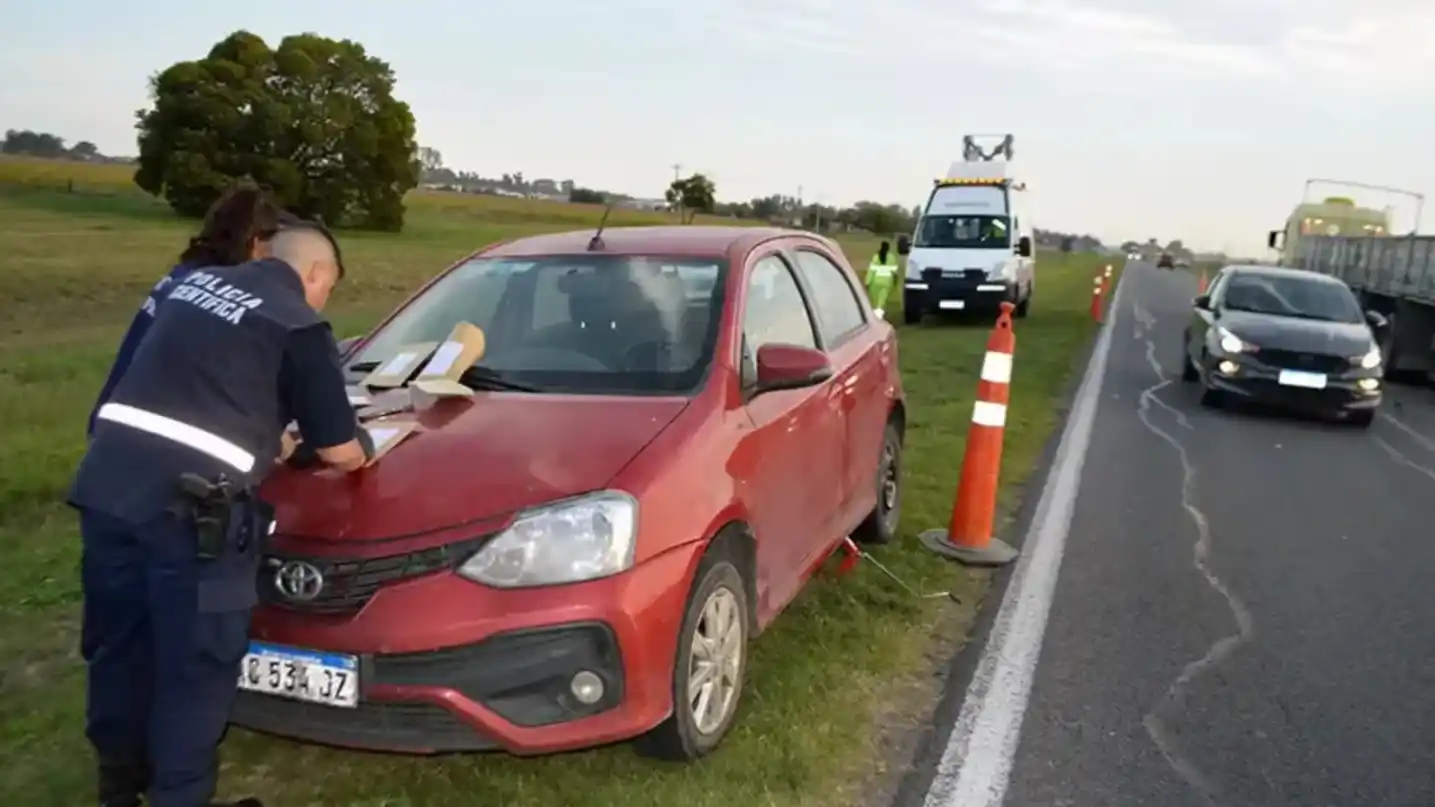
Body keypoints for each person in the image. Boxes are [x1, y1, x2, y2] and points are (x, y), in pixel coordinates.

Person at [69, 223, 374, 807]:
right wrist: (364, 443)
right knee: (196, 669)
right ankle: (178, 796)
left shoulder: (195, 286)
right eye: (327, 287)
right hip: (192, 519)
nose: (322, 299)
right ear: (315, 275)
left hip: (109, 490)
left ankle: (118, 785)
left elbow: (202, 388)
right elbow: (340, 451)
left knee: (119, 646)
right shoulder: (299, 322)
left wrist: (265, 435)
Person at [88, 185, 295, 435]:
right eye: (269, 249)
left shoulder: (187, 275)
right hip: (146, 430)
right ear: (254, 242)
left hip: (117, 414)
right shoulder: (216, 294)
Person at [866, 240, 900, 319]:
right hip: (886, 283)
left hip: (875, 283)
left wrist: (867, 282)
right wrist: (895, 282)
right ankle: (879, 316)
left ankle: (877, 316)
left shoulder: (876, 257)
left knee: (876, 301)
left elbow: (871, 270)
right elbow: (894, 271)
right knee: (881, 302)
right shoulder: (891, 258)